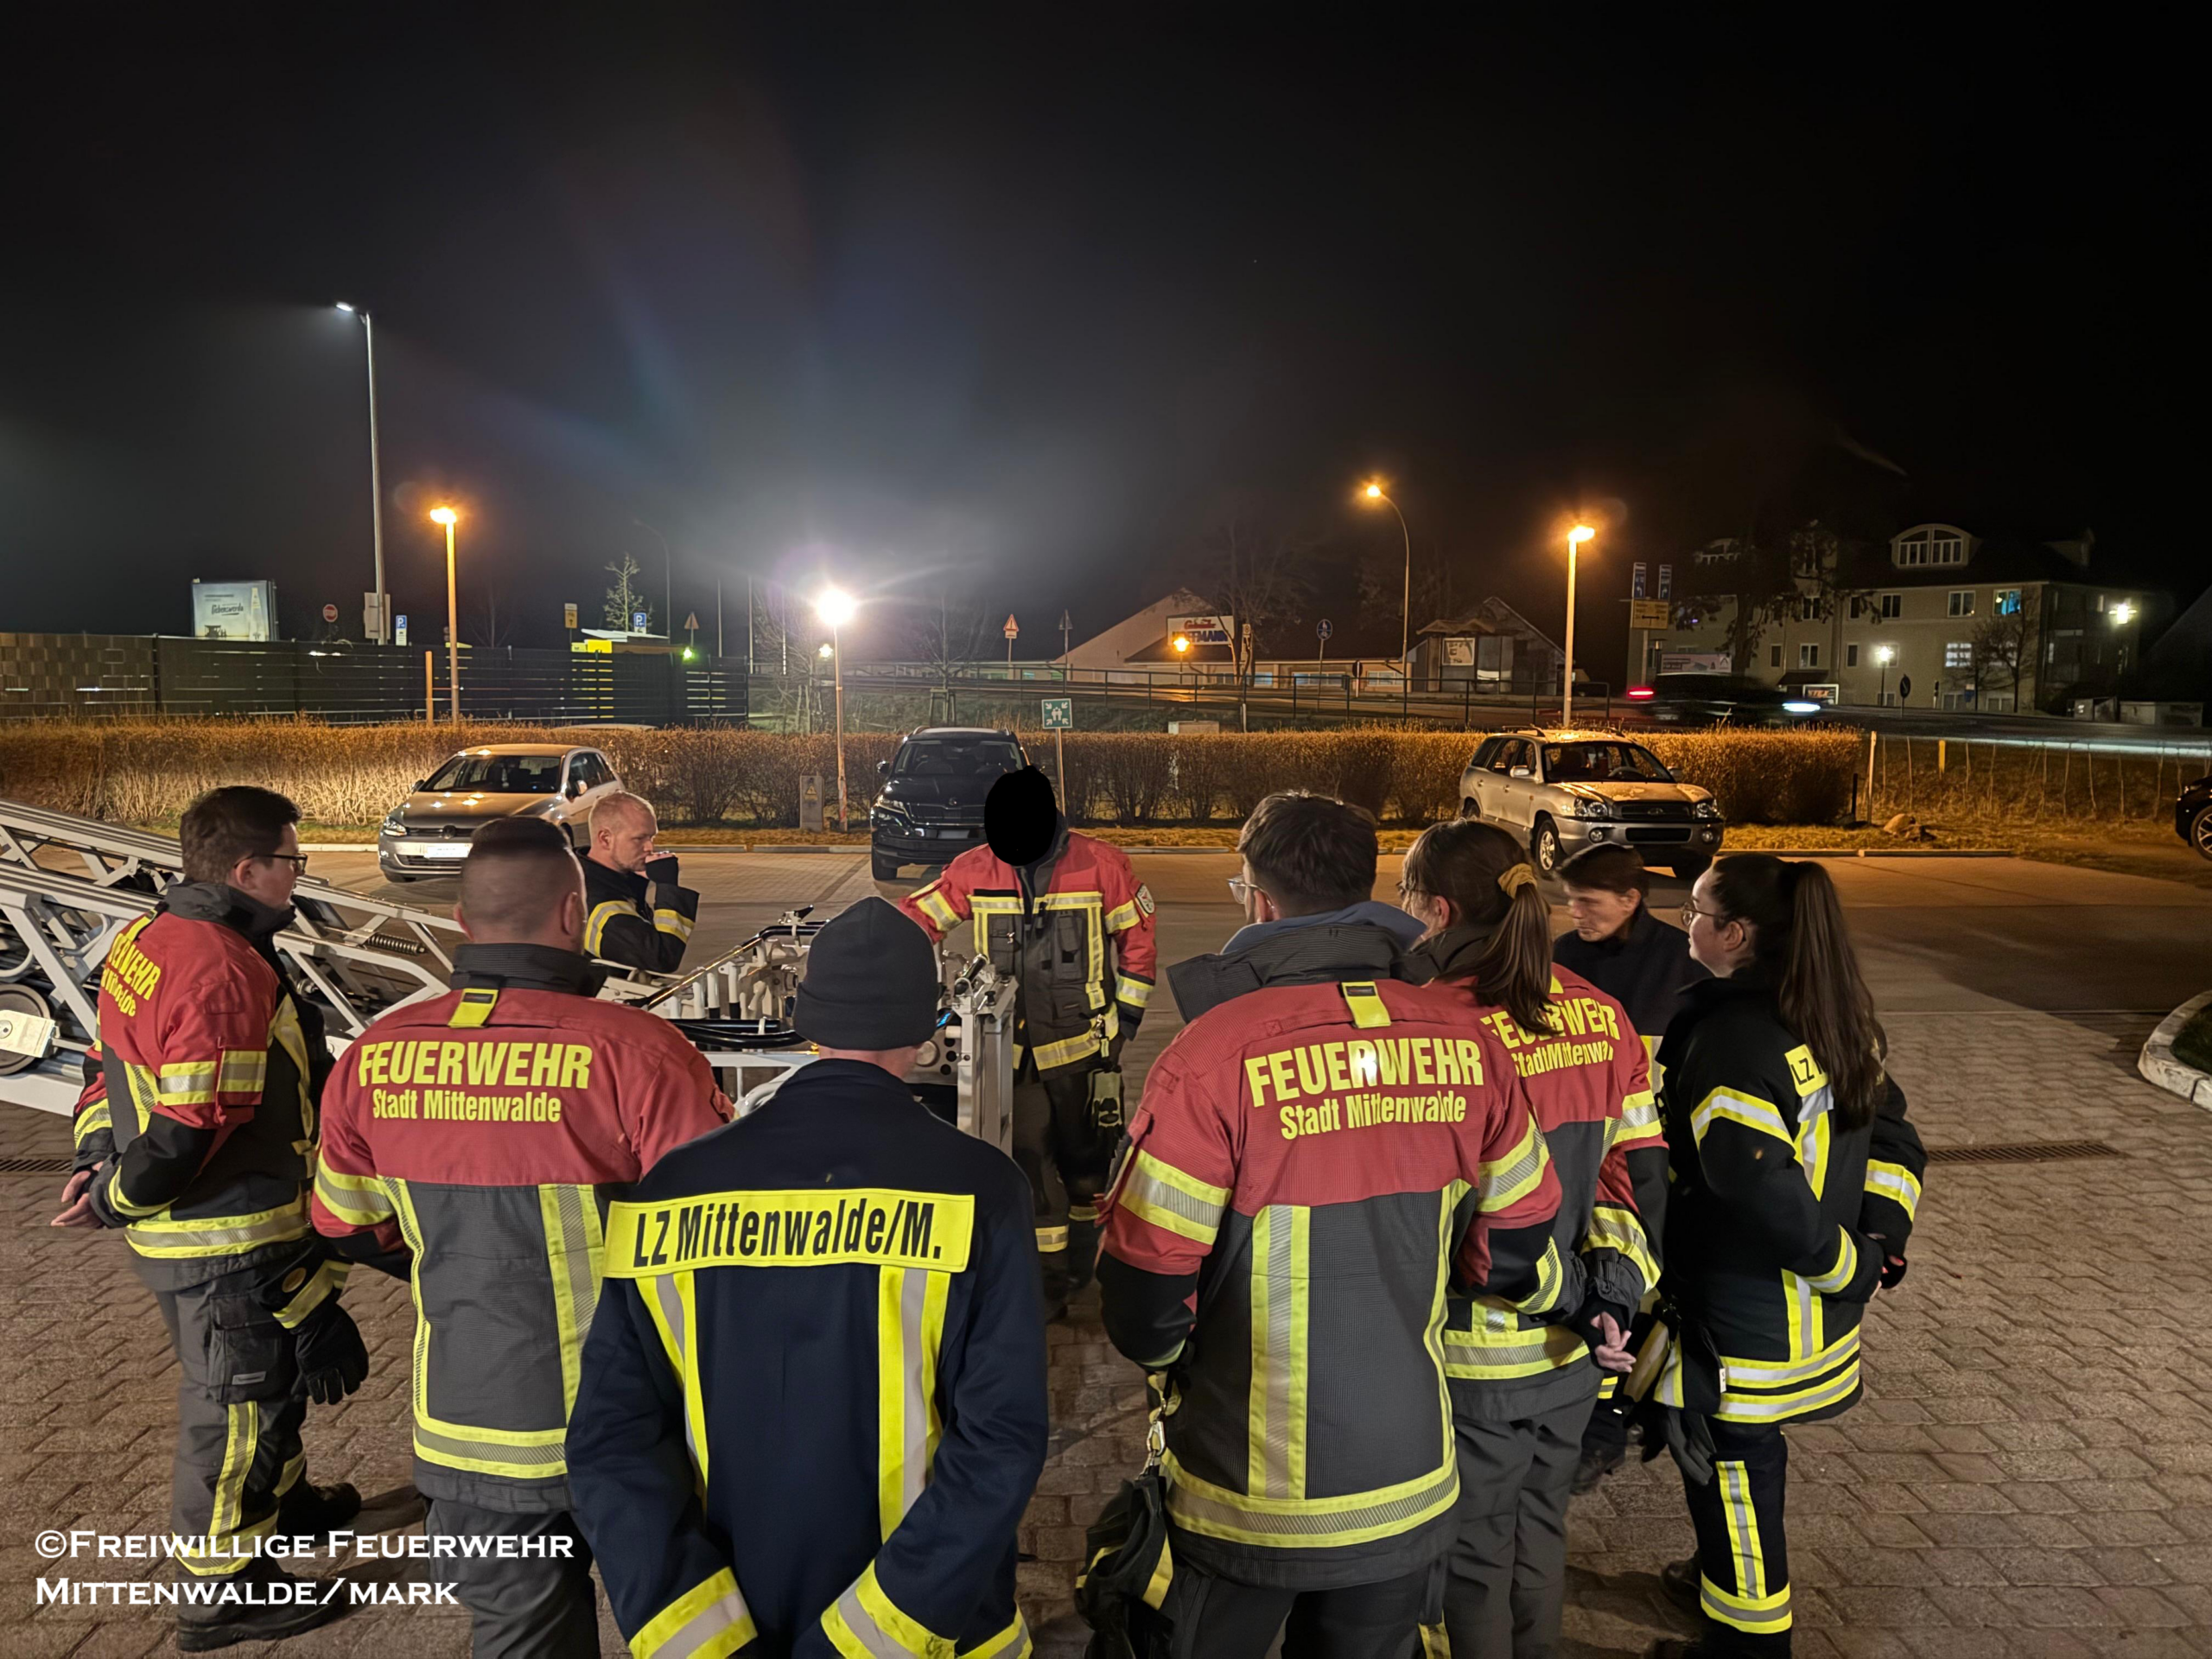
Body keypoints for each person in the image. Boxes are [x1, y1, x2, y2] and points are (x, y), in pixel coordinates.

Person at [1098, 791, 1567, 1659]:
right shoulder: (1471, 1043)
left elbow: (1145, 1295)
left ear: (1260, 900)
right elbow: (1519, 1240)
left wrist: (1180, 1367)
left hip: (1247, 1493)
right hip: (1409, 1478)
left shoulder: (1212, 1056)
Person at [567, 897, 1048, 1656]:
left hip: (728, 1623)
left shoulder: (669, 1189)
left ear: (804, 1020)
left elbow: (613, 1441)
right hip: (916, 1629)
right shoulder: (982, 1187)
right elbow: (1000, 1441)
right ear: (928, 1029)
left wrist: (708, 1640)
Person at [311, 817, 731, 1656]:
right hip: (636, 1429)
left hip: (470, 1436)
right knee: (700, 1633)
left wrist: (461, 1263)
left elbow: (344, 1223)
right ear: (575, 913)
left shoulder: (373, 1056)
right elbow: (722, 1239)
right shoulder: (639, 1053)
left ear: (462, 920)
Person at [52, 785, 361, 1650]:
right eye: (293, 861)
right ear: (248, 869)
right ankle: (221, 1590)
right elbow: (191, 1125)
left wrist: (93, 1158)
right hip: (227, 1235)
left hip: (227, 1224)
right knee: (235, 1408)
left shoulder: (148, 938)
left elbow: (106, 1063)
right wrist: (112, 1198)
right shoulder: (220, 968)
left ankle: (282, 1507)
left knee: (274, 1383)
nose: (299, 876)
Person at [1649, 855, 1927, 1658]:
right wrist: (1882, 1239)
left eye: (1696, 911)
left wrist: (1847, 1265)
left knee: (1733, 1467)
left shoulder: (1734, 1039)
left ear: (1736, 934)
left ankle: (1750, 1641)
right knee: (1731, 1466)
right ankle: (1721, 1576)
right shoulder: (1838, 1017)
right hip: (1812, 1315)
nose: (1686, 924)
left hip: (1749, 1319)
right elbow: (1895, 1138)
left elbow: (1755, 1188)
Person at [1400, 820, 1657, 1659]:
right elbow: (1637, 1174)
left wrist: (1574, 1298)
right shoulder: (1602, 1016)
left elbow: (1454, 1217)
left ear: (1438, 910)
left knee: (1472, 1557)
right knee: (1540, 1531)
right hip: (1576, 1355)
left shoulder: (1436, 1026)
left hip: (1470, 1351)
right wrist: (1612, 1293)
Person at [900, 765, 1156, 1314]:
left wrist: (1124, 1025)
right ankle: (1048, 1289)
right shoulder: (974, 869)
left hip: (1086, 1050)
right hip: (1011, 1054)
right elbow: (914, 923)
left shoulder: (1102, 865)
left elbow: (1138, 947)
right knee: (1031, 1166)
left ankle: (1088, 1265)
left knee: (1089, 1168)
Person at [1551, 842, 1706, 1491]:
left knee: (1640, 1291)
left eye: (1589, 902)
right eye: (1570, 901)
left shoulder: (1679, 965)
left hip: (1651, 1155)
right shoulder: (1562, 958)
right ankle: (1593, 1413)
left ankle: (1617, 1416)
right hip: (1586, 1153)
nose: (1576, 913)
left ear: (1631, 899)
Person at [582, 790, 701, 974]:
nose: (650, 847)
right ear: (605, 839)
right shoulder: (596, 901)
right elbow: (661, 958)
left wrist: (637, 882)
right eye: (639, 838)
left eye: (651, 838)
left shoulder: (604, 882)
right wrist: (667, 887)